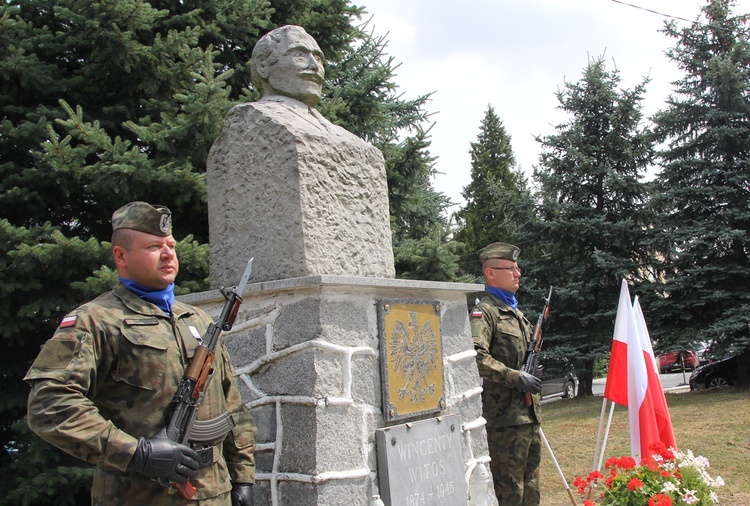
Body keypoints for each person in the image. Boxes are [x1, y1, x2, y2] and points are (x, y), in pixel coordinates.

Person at [24, 201, 257, 505]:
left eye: (170, 245)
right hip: (137, 496)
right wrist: (136, 453)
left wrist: (242, 477)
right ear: (121, 256)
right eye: (153, 246)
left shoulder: (197, 320)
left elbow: (230, 402)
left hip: (214, 494)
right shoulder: (92, 320)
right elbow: (48, 404)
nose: (168, 253)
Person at [470, 242, 542, 505]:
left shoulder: (517, 314)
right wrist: (514, 376)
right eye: (510, 268)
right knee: (512, 493)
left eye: (517, 268)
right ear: (490, 273)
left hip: (528, 417)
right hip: (505, 421)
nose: (517, 273)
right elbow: (476, 356)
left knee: (532, 491)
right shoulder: (485, 312)